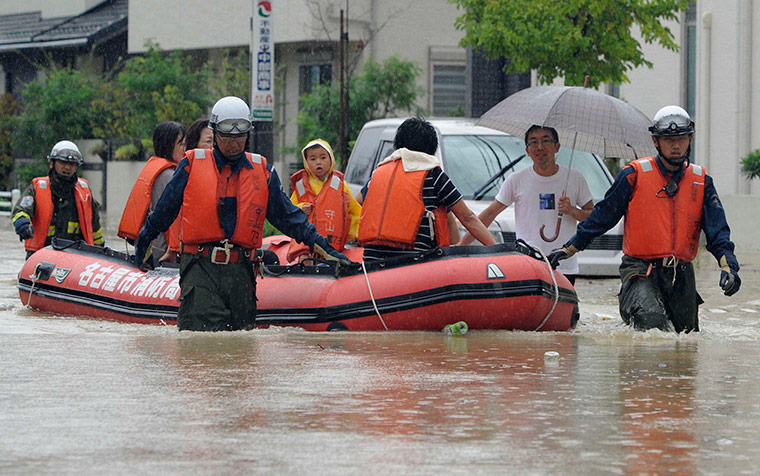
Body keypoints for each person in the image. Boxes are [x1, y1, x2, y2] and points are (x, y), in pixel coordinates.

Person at [133, 96, 350, 332]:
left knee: (241, 348)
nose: (233, 144)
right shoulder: (192, 164)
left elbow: (288, 217)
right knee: (203, 346)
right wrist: (144, 240)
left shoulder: (262, 171)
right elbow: (165, 210)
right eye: (226, 136)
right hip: (201, 268)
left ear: (248, 135)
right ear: (215, 134)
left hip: (241, 273)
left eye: (240, 137)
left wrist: (324, 247)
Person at [549, 105, 741, 333]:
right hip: (640, 269)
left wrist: (729, 267)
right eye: (668, 140)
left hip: (681, 274)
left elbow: (717, 231)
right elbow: (602, 216)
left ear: (690, 139)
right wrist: (570, 248)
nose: (675, 145)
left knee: (685, 341)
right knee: (652, 324)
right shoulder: (633, 175)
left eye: (681, 138)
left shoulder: (702, 182)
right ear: (655, 142)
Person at [458, 125, 594, 285]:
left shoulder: (574, 178)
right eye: (534, 142)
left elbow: (591, 215)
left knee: (563, 309)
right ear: (527, 150)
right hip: (527, 264)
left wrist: (572, 211)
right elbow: (489, 215)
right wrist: (461, 246)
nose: (540, 147)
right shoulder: (516, 180)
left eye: (546, 141)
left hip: (564, 265)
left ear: (557, 147)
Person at [358, 117, 496, 261]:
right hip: (416, 265)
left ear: (398, 145)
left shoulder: (378, 174)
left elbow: (355, 203)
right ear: (431, 148)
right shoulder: (434, 176)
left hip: (372, 264)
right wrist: (498, 250)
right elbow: (468, 218)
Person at [12, 140, 104, 258]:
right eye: (63, 162)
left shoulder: (84, 193)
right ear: (52, 163)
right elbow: (21, 210)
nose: (67, 167)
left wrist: (100, 252)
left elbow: (95, 227)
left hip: (75, 257)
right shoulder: (37, 188)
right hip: (41, 255)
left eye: (72, 163)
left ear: (76, 166)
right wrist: (22, 224)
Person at [118, 121, 186, 266]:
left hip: (150, 249)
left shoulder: (159, 171)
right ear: (168, 144)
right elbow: (173, 218)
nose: (185, 150)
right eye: (181, 144)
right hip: (162, 253)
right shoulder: (169, 176)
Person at [287, 138, 362, 262]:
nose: (318, 162)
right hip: (307, 242)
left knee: (332, 259)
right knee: (305, 258)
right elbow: (288, 210)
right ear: (306, 162)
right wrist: (300, 208)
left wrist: (356, 235)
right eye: (312, 159)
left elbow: (355, 213)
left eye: (323, 158)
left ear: (331, 160)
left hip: (331, 243)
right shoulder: (301, 187)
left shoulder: (341, 186)